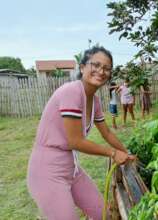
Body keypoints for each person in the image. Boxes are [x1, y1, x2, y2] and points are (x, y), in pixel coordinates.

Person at [27, 46, 136, 220]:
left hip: (71, 168)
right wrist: (113, 153)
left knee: (103, 214)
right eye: (96, 65)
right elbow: (75, 141)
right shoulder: (72, 92)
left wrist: (127, 153)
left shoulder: (95, 100)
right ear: (83, 67)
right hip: (47, 171)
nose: (101, 71)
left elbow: (106, 132)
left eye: (107, 68)